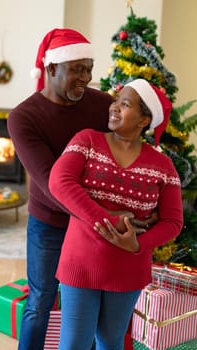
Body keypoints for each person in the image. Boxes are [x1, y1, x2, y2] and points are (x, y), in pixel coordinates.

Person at [7, 28, 155, 349]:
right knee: (40, 302)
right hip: (52, 224)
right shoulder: (23, 117)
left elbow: (127, 149)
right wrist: (106, 215)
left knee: (91, 305)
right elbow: (50, 184)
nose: (86, 77)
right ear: (51, 68)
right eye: (77, 69)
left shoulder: (103, 105)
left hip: (97, 229)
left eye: (89, 68)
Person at [49, 78, 184, 350]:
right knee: (74, 343)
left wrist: (137, 244)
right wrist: (111, 221)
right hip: (81, 262)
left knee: (111, 342)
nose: (114, 108)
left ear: (144, 120)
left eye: (125, 104)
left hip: (128, 269)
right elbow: (59, 183)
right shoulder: (87, 140)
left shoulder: (163, 165)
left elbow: (173, 221)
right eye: (116, 101)